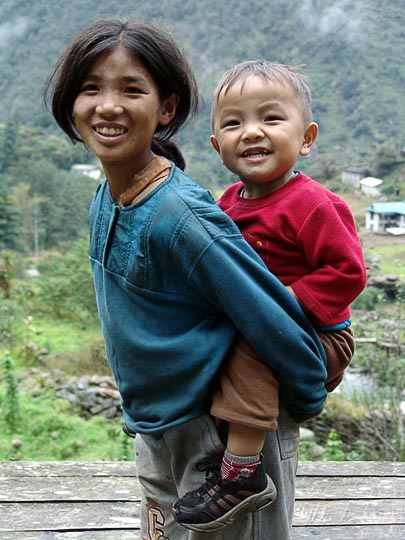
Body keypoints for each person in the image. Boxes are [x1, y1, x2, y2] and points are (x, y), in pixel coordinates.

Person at [44, 19, 329, 540]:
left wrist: (299, 402)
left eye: (132, 89)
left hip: (222, 443)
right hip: (158, 428)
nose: (108, 105)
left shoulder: (182, 218)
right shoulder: (106, 198)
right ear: (70, 103)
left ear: (166, 108)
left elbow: (275, 321)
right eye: (91, 88)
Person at [173, 60, 367, 531]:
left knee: (250, 345)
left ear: (306, 138)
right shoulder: (226, 203)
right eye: (234, 122)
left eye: (271, 118)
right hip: (264, 325)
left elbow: (349, 271)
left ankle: (242, 474)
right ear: (218, 146)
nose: (251, 132)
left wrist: (281, 300)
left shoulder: (315, 204)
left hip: (319, 335)